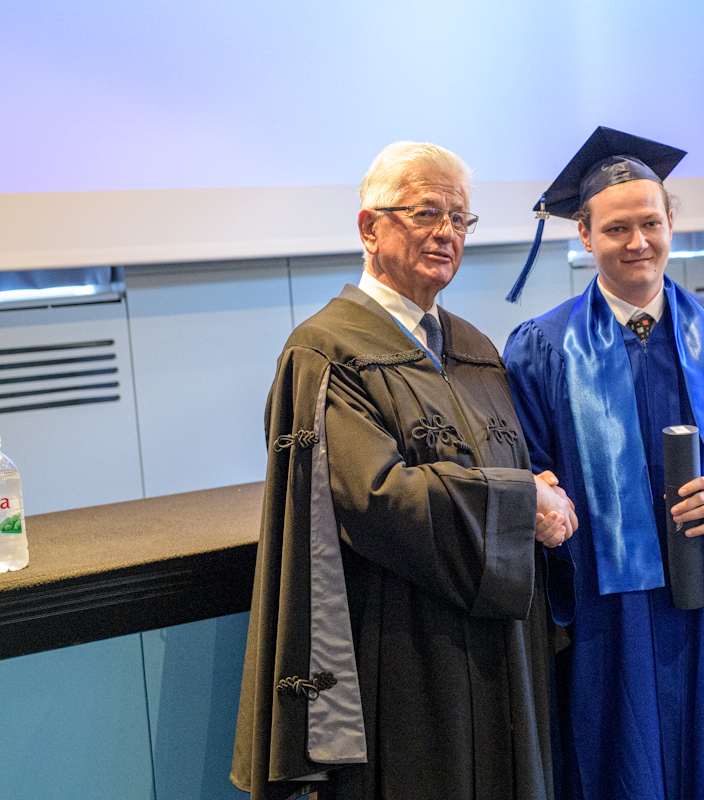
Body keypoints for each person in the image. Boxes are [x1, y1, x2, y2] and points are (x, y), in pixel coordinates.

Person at [230, 141, 576, 800]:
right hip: (407, 651)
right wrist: (522, 502)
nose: (447, 232)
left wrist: (541, 495)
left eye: (459, 218)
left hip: (500, 651)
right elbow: (376, 497)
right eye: (426, 213)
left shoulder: (472, 347)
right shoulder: (326, 352)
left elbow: (512, 464)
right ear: (370, 228)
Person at [502, 126, 704, 800]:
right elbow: (526, 470)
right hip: (608, 613)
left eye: (650, 223)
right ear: (585, 235)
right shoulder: (543, 348)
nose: (638, 242)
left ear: (671, 224)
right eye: (616, 228)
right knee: (619, 767)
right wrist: (539, 498)